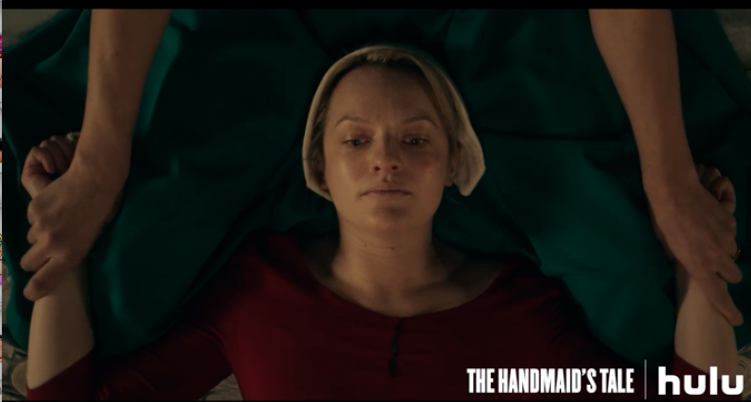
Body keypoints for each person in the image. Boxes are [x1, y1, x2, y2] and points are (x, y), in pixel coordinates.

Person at [22, 46, 741, 400]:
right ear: (318, 168)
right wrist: (68, 236)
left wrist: (694, 256)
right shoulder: (256, 293)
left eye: (416, 139)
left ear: (455, 164)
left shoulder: (524, 318)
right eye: (356, 140)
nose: (385, 161)